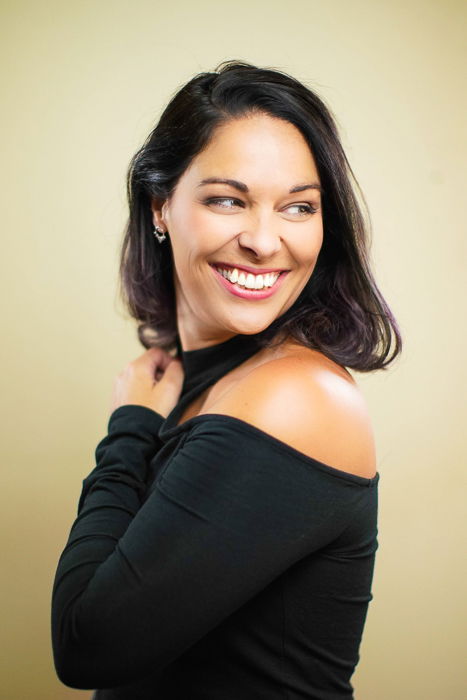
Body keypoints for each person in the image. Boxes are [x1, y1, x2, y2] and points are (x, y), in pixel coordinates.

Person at [51, 60, 402, 699]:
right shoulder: (201, 383)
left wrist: (128, 431)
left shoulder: (293, 396)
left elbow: (88, 644)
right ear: (161, 204)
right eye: (227, 200)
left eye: (298, 207)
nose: (265, 241)